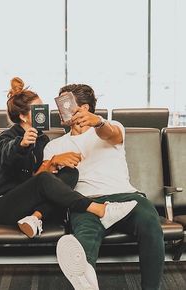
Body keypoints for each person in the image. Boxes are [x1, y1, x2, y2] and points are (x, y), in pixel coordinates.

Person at [0, 77, 137, 239]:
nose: (43, 111)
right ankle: (100, 210)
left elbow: (37, 179)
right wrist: (21, 144)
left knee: (70, 173)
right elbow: (5, 158)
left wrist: (53, 162)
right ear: (23, 116)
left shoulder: (42, 140)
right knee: (45, 180)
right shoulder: (8, 137)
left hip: (30, 205)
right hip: (4, 206)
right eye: (37, 108)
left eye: (43, 107)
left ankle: (34, 218)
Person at [43, 84, 165, 290]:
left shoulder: (110, 127)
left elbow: (112, 133)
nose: (60, 108)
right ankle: (86, 282)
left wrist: (98, 122)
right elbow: (43, 184)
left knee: (151, 224)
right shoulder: (54, 146)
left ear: (85, 107)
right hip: (86, 203)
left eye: (66, 102)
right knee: (83, 241)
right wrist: (52, 162)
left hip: (126, 198)